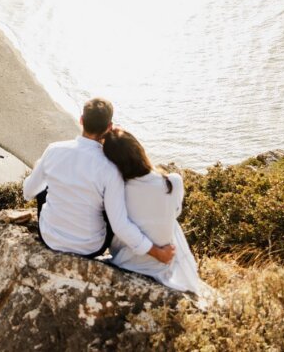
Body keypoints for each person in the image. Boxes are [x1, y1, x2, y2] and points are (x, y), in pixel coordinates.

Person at [22, 97, 175, 265]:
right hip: (90, 247)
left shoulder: (54, 150)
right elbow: (119, 225)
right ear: (109, 127)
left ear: (81, 120)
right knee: (108, 203)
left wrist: (40, 167)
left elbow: (28, 192)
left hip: (50, 238)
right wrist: (157, 253)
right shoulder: (110, 167)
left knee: (43, 186)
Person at [102, 128, 206, 294]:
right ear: (139, 149)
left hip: (127, 260)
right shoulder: (173, 181)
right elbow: (176, 212)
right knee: (171, 222)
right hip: (164, 265)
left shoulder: (119, 189)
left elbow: (120, 226)